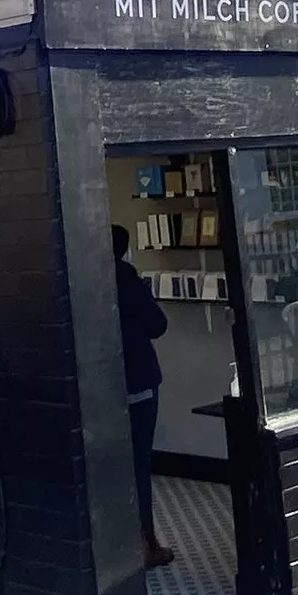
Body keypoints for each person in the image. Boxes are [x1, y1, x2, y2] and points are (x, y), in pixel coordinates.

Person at [112, 224, 174, 568]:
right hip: (137, 380)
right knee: (138, 463)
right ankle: (145, 542)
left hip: (101, 383)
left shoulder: (85, 279)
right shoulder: (126, 278)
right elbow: (158, 324)